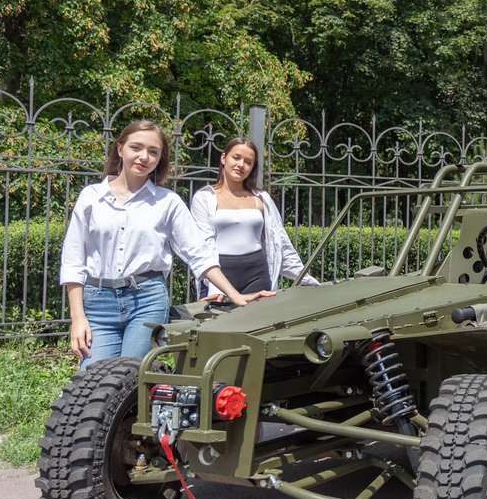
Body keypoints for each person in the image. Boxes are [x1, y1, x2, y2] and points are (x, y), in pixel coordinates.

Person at [61, 121, 259, 368]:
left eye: (153, 152)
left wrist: (235, 296)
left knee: (130, 375)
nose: (144, 157)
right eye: (136, 147)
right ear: (120, 149)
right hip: (98, 303)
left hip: (146, 300)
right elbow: (73, 259)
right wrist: (77, 318)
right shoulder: (91, 197)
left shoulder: (168, 202)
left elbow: (199, 253)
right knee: (90, 378)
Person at [191, 138, 318, 295]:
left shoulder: (261, 198)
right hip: (220, 277)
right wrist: (215, 286)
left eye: (248, 162)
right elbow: (203, 246)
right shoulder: (204, 198)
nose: (241, 165)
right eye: (236, 157)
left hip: (257, 276)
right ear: (224, 158)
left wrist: (308, 280)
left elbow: (280, 242)